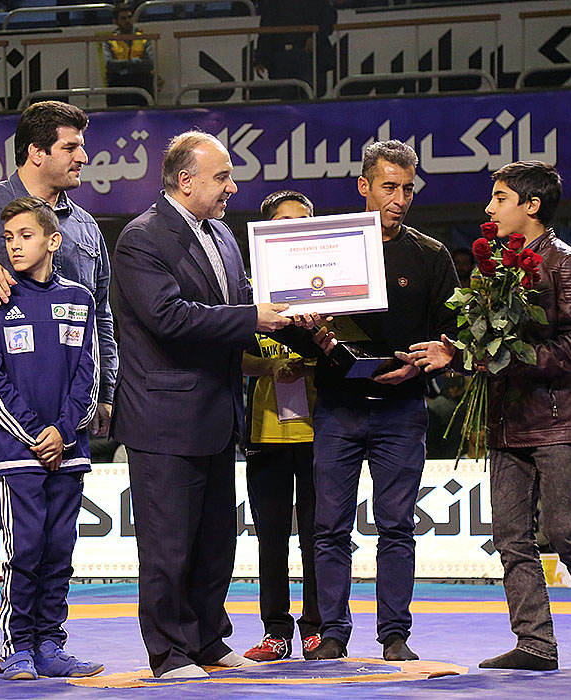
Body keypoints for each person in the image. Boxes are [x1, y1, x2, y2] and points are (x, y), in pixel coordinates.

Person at [412, 160, 571, 670]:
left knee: (564, 529)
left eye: (500, 198)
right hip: (507, 420)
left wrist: (505, 359)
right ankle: (535, 644)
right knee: (509, 537)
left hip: (558, 420)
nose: (489, 208)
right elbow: (488, 346)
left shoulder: (568, 264)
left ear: (532, 205)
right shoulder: (497, 269)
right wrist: (457, 355)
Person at [0, 100, 117, 668]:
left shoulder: (83, 226)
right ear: (36, 152)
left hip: (63, 407)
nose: (83, 157)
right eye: (71, 147)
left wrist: (104, 391)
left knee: (52, 534)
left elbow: (100, 315)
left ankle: (45, 639)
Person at [111, 130, 292, 679]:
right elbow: (169, 318)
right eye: (223, 177)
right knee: (168, 548)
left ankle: (207, 639)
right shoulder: (141, 238)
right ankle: (169, 652)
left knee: (215, 542)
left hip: (216, 413)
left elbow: (240, 305)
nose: (232, 187)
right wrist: (255, 317)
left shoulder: (224, 235)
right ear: (185, 181)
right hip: (163, 419)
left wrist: (294, 311)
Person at [274, 140, 457, 663]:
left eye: (408, 189)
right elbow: (291, 324)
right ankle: (332, 632)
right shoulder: (329, 247)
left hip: (402, 409)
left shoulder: (431, 255)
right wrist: (314, 334)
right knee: (329, 527)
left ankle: (394, 635)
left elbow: (452, 336)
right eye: (388, 187)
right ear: (364, 186)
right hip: (339, 405)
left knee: (397, 526)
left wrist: (424, 361)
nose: (399, 199)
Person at [0, 197, 103, 680]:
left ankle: (50, 644)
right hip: (18, 454)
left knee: (59, 553)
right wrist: (36, 434)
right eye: (8, 238)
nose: (15, 246)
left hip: (68, 453)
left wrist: (63, 434)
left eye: (26, 236)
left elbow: (89, 376)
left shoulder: (81, 299)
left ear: (53, 241)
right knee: (23, 552)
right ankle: (17, 648)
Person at [240, 190, 322, 662]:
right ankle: (276, 631)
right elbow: (237, 359)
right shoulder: (250, 294)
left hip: (319, 434)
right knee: (272, 538)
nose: (292, 228)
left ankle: (317, 628)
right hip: (266, 433)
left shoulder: (329, 289)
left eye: (301, 220)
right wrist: (271, 366)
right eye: (282, 221)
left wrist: (311, 362)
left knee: (318, 537)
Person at [254, 0, 336, 98]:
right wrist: (260, 59)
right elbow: (265, 28)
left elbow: (329, 18)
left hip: (304, 53)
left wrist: (316, 38)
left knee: (308, 94)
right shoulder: (273, 3)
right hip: (281, 54)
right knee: (286, 97)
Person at [102, 2, 154, 106]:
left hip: (141, 81)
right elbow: (109, 65)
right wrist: (134, 62)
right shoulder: (109, 40)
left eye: (130, 17)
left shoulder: (143, 38)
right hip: (118, 81)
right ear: (115, 21)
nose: (127, 21)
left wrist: (122, 65)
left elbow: (149, 64)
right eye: (123, 18)